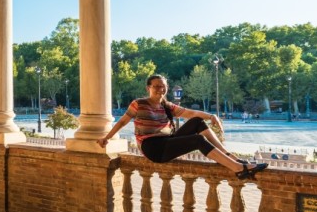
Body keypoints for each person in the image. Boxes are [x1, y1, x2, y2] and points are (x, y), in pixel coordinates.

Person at [97, 75, 267, 179]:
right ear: (148, 88)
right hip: (153, 147)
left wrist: (211, 116)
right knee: (197, 140)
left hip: (167, 141)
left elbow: (190, 113)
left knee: (197, 122)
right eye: (156, 86)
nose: (160, 89)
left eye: (163, 86)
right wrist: (106, 137)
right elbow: (122, 122)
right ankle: (238, 168)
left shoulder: (167, 105)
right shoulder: (138, 104)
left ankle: (229, 155)